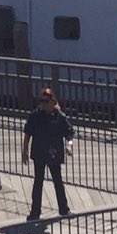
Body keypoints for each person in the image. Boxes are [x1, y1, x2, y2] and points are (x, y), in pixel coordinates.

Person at [23, 88, 74, 221]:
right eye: (41, 101)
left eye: (46, 101)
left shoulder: (60, 116)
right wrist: (25, 150)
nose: (43, 104)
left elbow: (69, 132)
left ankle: (64, 209)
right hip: (39, 151)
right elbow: (28, 132)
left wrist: (69, 145)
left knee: (58, 181)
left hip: (54, 153)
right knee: (38, 182)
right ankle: (35, 213)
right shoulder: (36, 115)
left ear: (52, 101)